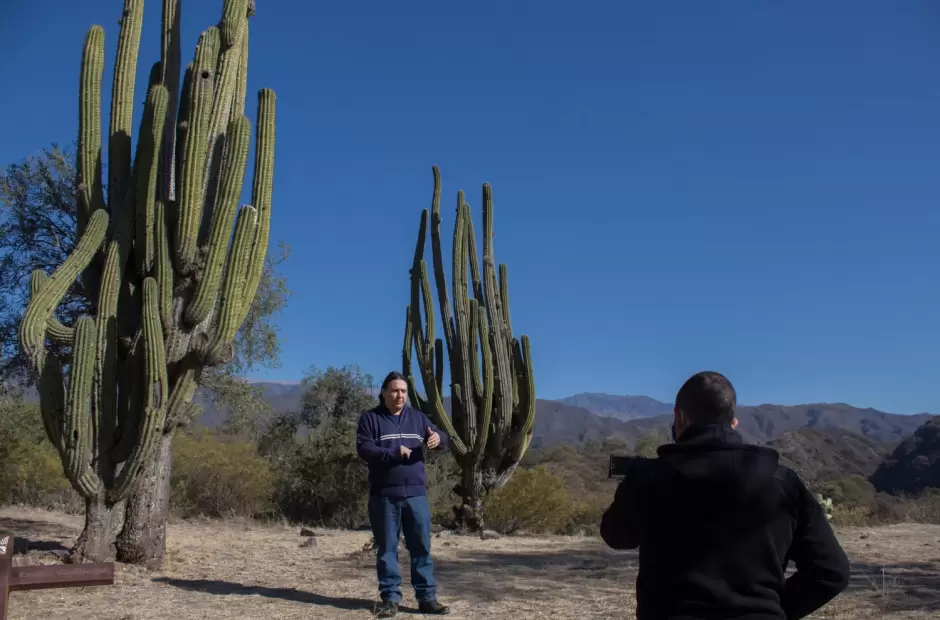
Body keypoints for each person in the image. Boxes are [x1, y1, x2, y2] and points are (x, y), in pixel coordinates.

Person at [600, 371, 851, 620]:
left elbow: (616, 536)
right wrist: (772, 610)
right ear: (734, 423)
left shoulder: (648, 478)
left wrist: (631, 486)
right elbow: (831, 571)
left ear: (678, 417)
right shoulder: (783, 483)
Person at [356, 371, 451, 617]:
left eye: (404, 391)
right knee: (387, 548)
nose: (400, 395)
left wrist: (438, 438)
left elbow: (444, 438)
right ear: (384, 393)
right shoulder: (370, 419)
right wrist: (392, 453)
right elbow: (364, 449)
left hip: (416, 495)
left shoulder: (418, 418)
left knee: (421, 546)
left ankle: (427, 598)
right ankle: (390, 599)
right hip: (384, 495)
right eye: (395, 391)